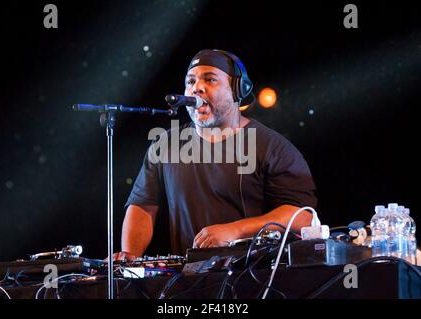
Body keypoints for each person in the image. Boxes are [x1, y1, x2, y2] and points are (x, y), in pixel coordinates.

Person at [114, 49, 317, 260]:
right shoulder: (165, 144)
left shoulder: (273, 147)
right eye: (190, 81)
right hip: (185, 282)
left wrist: (235, 230)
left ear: (237, 90)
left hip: (252, 279)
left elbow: (302, 216)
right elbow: (143, 206)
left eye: (210, 80)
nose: (196, 88)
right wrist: (130, 256)